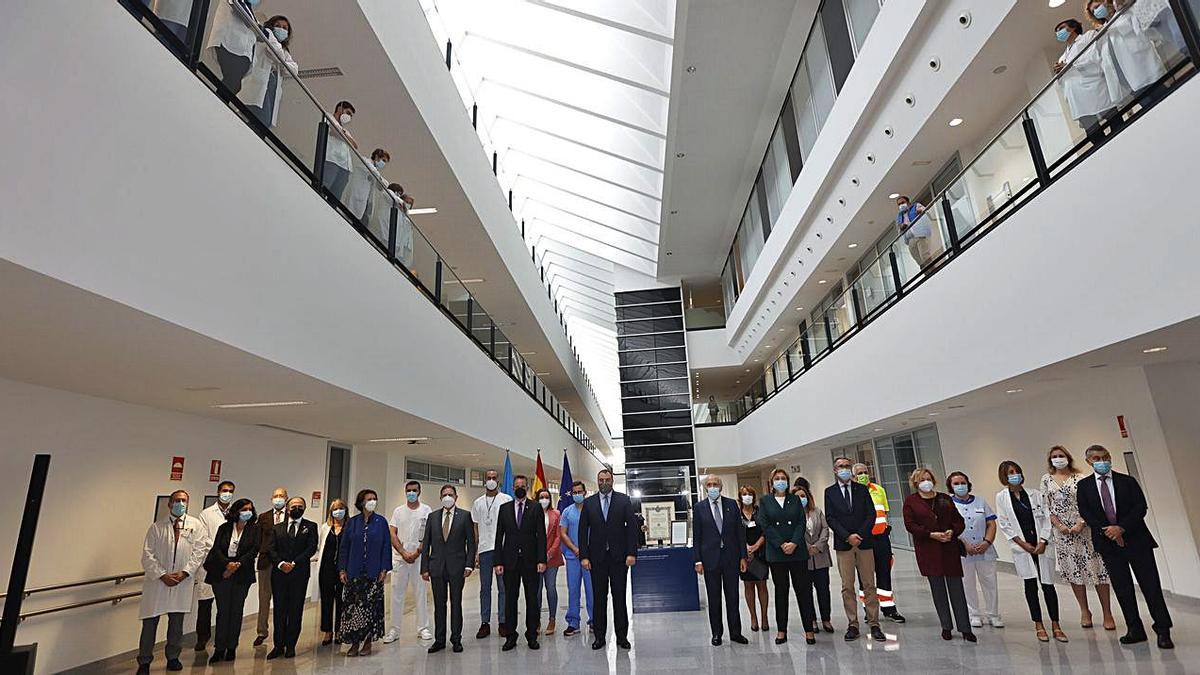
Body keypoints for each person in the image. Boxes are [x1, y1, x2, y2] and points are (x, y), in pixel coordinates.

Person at [1077, 445, 1174, 648]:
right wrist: (1107, 530)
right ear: (1089, 461)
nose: (1102, 461)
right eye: (1096, 458)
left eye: (1105, 457)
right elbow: (1086, 512)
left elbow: (1140, 507)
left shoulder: (1127, 481)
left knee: (1151, 586)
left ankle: (1163, 629)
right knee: (1122, 588)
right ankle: (1134, 628)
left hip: (1137, 541)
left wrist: (1121, 528)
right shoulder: (1085, 486)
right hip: (1108, 544)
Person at [1040, 445, 1115, 630]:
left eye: (1061, 455)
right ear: (1050, 460)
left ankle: (1107, 612)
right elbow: (1045, 506)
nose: (1058, 458)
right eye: (1055, 456)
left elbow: (1090, 503)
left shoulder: (1080, 478)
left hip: (1086, 530)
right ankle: (1084, 610)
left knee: (1098, 571)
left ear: (1068, 457)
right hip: (1063, 534)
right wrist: (1059, 526)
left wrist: (1081, 523)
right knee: (1074, 572)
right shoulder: (1046, 480)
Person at [136, 490, 210, 674]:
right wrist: (162, 575)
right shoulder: (156, 527)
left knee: (176, 625)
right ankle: (144, 662)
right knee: (150, 624)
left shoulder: (196, 526)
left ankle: (173, 657)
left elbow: (199, 552)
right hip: (158, 583)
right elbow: (147, 556)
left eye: (184, 501)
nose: (180, 504)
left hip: (181, 581)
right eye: (177, 500)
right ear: (169, 504)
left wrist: (185, 573)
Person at [996, 460, 1066, 643]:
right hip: (1023, 548)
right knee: (1031, 586)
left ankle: (1056, 625)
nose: (1015, 475)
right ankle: (1038, 625)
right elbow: (1005, 524)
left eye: (1017, 471)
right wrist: (1023, 544)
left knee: (1048, 586)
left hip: (1042, 546)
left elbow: (1046, 518)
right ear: (1004, 476)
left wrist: (1043, 541)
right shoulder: (1002, 498)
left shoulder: (1035, 494)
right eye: (1010, 472)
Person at [903, 469, 975, 642]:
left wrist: (952, 531)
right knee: (938, 590)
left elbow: (959, 521)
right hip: (929, 550)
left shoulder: (944, 498)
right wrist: (930, 534)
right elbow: (910, 525)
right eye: (921, 480)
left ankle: (965, 628)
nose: (926, 482)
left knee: (956, 589)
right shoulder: (911, 501)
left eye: (928, 479)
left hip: (949, 549)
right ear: (915, 483)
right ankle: (946, 626)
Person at [823, 457, 886, 642]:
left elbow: (871, 514)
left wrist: (860, 534)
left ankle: (874, 623)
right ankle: (853, 624)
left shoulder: (862, 490)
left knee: (869, 584)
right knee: (847, 586)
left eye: (846, 466)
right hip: (844, 545)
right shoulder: (830, 492)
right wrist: (847, 536)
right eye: (840, 467)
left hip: (864, 543)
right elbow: (831, 518)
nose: (844, 469)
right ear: (835, 470)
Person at [578, 468, 639, 650]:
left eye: (607, 479)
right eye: (601, 479)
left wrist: (631, 553)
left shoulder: (623, 500)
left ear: (612, 481)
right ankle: (599, 637)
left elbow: (632, 529)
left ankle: (622, 637)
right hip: (597, 559)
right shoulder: (589, 503)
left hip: (619, 558)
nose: (604, 482)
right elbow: (582, 532)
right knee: (599, 598)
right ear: (597, 482)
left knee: (619, 597)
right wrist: (584, 556)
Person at [758, 470, 817, 645]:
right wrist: (781, 544)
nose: (780, 481)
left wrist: (794, 543)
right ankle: (781, 630)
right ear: (771, 482)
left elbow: (801, 522)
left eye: (783, 479)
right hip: (777, 554)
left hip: (797, 552)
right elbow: (765, 524)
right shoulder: (765, 501)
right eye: (777, 479)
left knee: (803, 592)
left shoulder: (795, 500)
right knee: (781, 592)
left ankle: (809, 630)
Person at [693, 475, 749, 646]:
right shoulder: (699, 507)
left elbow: (740, 533)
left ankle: (735, 632)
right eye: (709, 485)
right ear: (705, 488)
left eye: (715, 484)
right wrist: (698, 561)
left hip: (731, 558)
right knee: (714, 598)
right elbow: (697, 536)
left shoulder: (732, 504)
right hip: (710, 559)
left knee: (733, 597)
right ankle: (717, 633)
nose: (712, 487)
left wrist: (743, 556)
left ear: (721, 487)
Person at [203, 497, 260, 664]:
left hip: (242, 575)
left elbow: (253, 550)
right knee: (223, 612)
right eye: (243, 509)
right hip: (222, 574)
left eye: (249, 509)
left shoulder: (255, 529)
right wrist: (227, 565)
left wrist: (237, 565)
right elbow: (216, 549)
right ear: (236, 511)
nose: (247, 512)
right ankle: (219, 647)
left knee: (236, 611)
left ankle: (231, 647)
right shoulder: (224, 528)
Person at [494, 474, 547, 651]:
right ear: (512, 488)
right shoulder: (504, 508)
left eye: (523, 486)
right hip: (509, 562)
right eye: (517, 485)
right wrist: (498, 561)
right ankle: (511, 636)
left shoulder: (536, 508)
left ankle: (532, 635)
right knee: (510, 599)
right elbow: (499, 536)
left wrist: (542, 559)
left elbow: (541, 536)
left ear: (527, 488)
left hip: (531, 561)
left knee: (532, 599)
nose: (519, 488)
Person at [421, 484, 476, 654]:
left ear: (456, 497)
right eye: (444, 494)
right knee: (439, 605)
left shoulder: (465, 516)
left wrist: (469, 564)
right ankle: (439, 640)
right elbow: (426, 544)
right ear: (440, 497)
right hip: (436, 567)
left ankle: (456, 639)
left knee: (456, 603)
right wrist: (424, 567)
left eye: (450, 494)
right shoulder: (432, 517)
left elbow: (471, 543)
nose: (447, 497)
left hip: (457, 567)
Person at [338, 489, 392, 657]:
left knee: (370, 608)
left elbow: (386, 546)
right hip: (354, 572)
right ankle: (354, 643)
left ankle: (368, 642)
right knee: (353, 608)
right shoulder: (352, 523)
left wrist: (384, 568)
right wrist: (342, 569)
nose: (372, 501)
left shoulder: (381, 522)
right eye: (369, 499)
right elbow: (344, 547)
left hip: (374, 572)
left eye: (375, 499)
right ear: (361, 502)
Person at [947, 472, 1003, 629]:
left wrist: (987, 542)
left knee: (990, 583)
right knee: (968, 584)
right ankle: (974, 614)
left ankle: (993, 614)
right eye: (956, 483)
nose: (960, 486)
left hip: (985, 549)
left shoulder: (980, 501)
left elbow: (991, 523)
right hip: (963, 551)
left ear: (968, 483)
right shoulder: (949, 504)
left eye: (962, 482)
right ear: (950, 486)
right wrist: (964, 544)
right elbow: (949, 528)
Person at [852, 463, 906, 623]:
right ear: (854, 476)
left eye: (865, 472)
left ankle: (889, 608)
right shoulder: (852, 493)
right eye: (859, 473)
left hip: (881, 538)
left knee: (884, 572)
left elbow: (885, 513)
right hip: (864, 540)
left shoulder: (878, 490)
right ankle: (868, 610)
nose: (863, 475)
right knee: (865, 577)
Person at [265, 496, 317, 659]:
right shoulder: (277, 528)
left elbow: (311, 548)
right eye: (293, 506)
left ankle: (290, 645)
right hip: (279, 574)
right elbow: (271, 549)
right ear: (287, 509)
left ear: (304, 508)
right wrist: (281, 564)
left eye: (300, 506)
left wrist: (294, 563)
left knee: (295, 610)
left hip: (299, 574)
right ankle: (278, 645)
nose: (296, 509)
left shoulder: (310, 526)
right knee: (279, 610)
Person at [1055, 18, 1123, 138]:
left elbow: (1095, 56)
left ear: (1073, 27)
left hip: (1095, 87)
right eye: (1057, 32)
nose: (1058, 33)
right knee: (1094, 135)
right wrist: (1059, 72)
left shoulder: (1087, 37)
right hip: (1077, 98)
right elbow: (1063, 83)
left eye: (1061, 28)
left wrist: (1070, 66)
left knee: (1116, 123)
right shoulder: (1061, 58)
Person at [1090, 0, 1166, 104]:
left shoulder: (1124, 13)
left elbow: (1132, 27)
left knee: (1162, 96)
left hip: (1142, 65)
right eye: (1093, 11)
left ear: (1105, 2)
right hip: (1127, 77)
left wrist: (1110, 28)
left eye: (1097, 6)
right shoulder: (1102, 32)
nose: (1096, 11)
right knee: (1147, 105)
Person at [384, 481, 432, 644]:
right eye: (408, 490)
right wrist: (403, 552)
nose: (411, 493)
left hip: (419, 559)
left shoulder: (426, 510)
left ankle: (423, 628)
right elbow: (392, 533)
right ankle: (394, 630)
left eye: (414, 490)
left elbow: (428, 534)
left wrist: (418, 551)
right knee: (396, 595)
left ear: (419, 492)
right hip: (400, 559)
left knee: (420, 593)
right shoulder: (398, 511)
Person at [194, 480, 236, 652]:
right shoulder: (206, 514)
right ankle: (202, 638)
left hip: (230, 565)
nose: (227, 493)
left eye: (230, 491)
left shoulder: (236, 513)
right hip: (211, 564)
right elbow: (203, 539)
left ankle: (223, 638)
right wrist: (220, 553)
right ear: (218, 492)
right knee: (205, 605)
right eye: (225, 490)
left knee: (226, 606)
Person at [472, 468, 513, 639]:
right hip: (484, 550)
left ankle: (503, 621)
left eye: (494, 478)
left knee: (503, 588)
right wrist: (475, 552)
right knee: (485, 588)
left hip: (502, 550)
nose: (491, 480)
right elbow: (475, 527)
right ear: (484, 480)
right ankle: (485, 623)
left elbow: (511, 527)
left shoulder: (506, 499)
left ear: (498, 480)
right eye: (488, 478)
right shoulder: (478, 502)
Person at [246, 15, 298, 130]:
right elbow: (274, 52)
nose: (282, 29)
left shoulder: (285, 52)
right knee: (261, 119)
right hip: (258, 83)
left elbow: (293, 70)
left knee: (265, 121)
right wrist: (282, 61)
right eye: (278, 26)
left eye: (285, 28)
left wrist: (281, 61)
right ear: (271, 27)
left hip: (271, 87)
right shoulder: (266, 35)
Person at [254, 487, 288, 646]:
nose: (278, 498)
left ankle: (282, 632)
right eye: (276, 496)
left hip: (284, 563)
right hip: (266, 563)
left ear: (286, 498)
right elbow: (257, 539)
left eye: (281, 496)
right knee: (264, 598)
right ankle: (261, 631)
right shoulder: (263, 517)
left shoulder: (291, 516)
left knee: (283, 599)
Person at [559, 481, 594, 637]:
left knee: (591, 590)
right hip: (572, 557)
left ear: (585, 493)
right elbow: (563, 533)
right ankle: (573, 623)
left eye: (580, 492)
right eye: (574, 492)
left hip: (590, 557)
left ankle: (594, 621)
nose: (577, 495)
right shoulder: (567, 511)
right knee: (573, 589)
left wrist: (586, 551)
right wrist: (575, 549)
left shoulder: (592, 510)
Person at [204, 0, 260, 95]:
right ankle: (217, 102)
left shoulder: (252, 14)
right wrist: (257, 28)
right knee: (232, 82)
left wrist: (258, 28)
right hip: (229, 44)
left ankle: (217, 101)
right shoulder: (241, 5)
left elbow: (262, 35)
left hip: (242, 52)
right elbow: (247, 18)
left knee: (234, 84)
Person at [802, 484, 835, 633]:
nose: (801, 499)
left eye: (803, 496)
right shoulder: (793, 515)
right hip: (804, 559)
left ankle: (826, 619)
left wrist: (818, 546)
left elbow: (825, 529)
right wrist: (807, 547)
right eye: (797, 497)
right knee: (806, 592)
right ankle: (812, 620)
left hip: (821, 556)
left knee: (823, 590)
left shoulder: (817, 512)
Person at [738, 485, 770, 632]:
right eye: (744, 494)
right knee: (748, 586)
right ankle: (753, 617)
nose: (747, 496)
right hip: (744, 555)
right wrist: (745, 548)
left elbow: (766, 531)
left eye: (750, 494)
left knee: (762, 585)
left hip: (760, 553)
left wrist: (756, 546)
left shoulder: (760, 511)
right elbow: (734, 533)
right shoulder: (736, 514)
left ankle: (764, 617)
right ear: (740, 497)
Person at [315, 499, 347, 647]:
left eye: (341, 508)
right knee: (327, 601)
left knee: (342, 601)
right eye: (335, 509)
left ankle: (340, 630)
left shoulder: (349, 527)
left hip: (343, 570)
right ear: (331, 511)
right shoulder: (325, 528)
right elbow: (320, 547)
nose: (338, 511)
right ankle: (327, 631)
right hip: (326, 569)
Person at [536, 488, 564, 635]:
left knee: (551, 588)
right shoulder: (532, 513)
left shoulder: (556, 514)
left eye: (546, 497)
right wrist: (539, 555)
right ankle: (537, 619)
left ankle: (552, 619)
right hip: (536, 559)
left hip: (552, 558)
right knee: (537, 590)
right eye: (541, 497)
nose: (544, 499)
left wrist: (550, 553)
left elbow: (558, 536)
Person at [323, 101, 359, 202]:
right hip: (332, 160)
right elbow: (334, 132)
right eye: (348, 113)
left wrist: (343, 133)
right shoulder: (328, 116)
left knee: (335, 196)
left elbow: (355, 145)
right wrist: (343, 135)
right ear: (340, 108)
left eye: (351, 115)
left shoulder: (345, 130)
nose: (349, 116)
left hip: (345, 167)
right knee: (325, 186)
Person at [347, 148, 391, 224]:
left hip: (367, 203)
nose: (383, 164)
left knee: (363, 226)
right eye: (383, 160)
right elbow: (373, 171)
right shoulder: (364, 161)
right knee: (352, 221)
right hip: (357, 197)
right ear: (376, 157)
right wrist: (378, 177)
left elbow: (384, 186)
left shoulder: (376, 173)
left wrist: (379, 178)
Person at [895, 195, 931, 268]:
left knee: (924, 255)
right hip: (909, 238)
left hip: (919, 234)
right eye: (899, 204)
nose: (901, 205)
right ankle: (926, 273)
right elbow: (899, 228)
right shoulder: (900, 216)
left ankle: (933, 269)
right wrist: (902, 227)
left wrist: (919, 211)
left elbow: (924, 210)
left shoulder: (915, 206)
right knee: (918, 259)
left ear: (908, 202)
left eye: (902, 202)